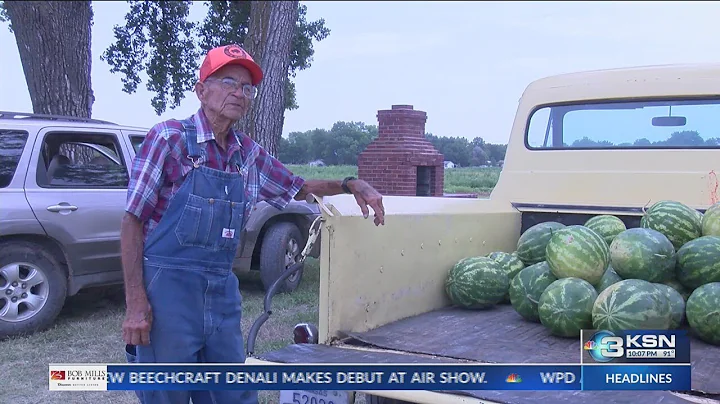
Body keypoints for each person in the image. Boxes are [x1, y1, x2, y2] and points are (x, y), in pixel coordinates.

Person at [120, 44, 385, 404]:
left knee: (233, 391)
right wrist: (136, 304)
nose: (239, 93)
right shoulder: (169, 140)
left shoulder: (247, 153)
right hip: (168, 294)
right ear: (201, 90)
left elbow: (298, 186)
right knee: (167, 393)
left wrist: (349, 184)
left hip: (221, 292)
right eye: (228, 82)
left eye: (247, 88)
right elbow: (132, 220)